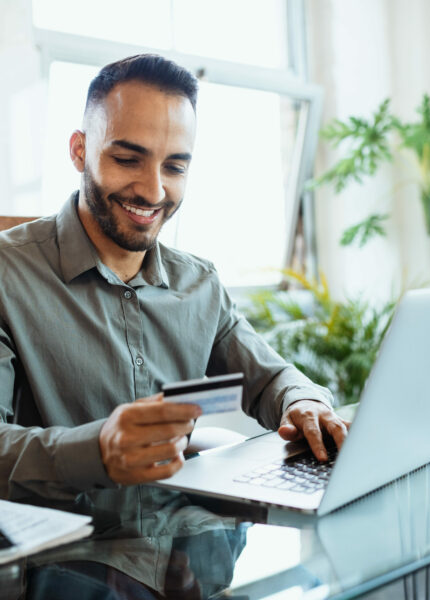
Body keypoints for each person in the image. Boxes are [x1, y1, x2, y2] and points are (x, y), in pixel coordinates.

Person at [0, 54, 349, 501]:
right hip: (63, 558)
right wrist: (96, 451)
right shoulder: (10, 277)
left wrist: (303, 401)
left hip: (185, 553)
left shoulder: (199, 284)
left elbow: (268, 378)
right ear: (79, 150)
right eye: (128, 159)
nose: (153, 191)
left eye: (175, 167)